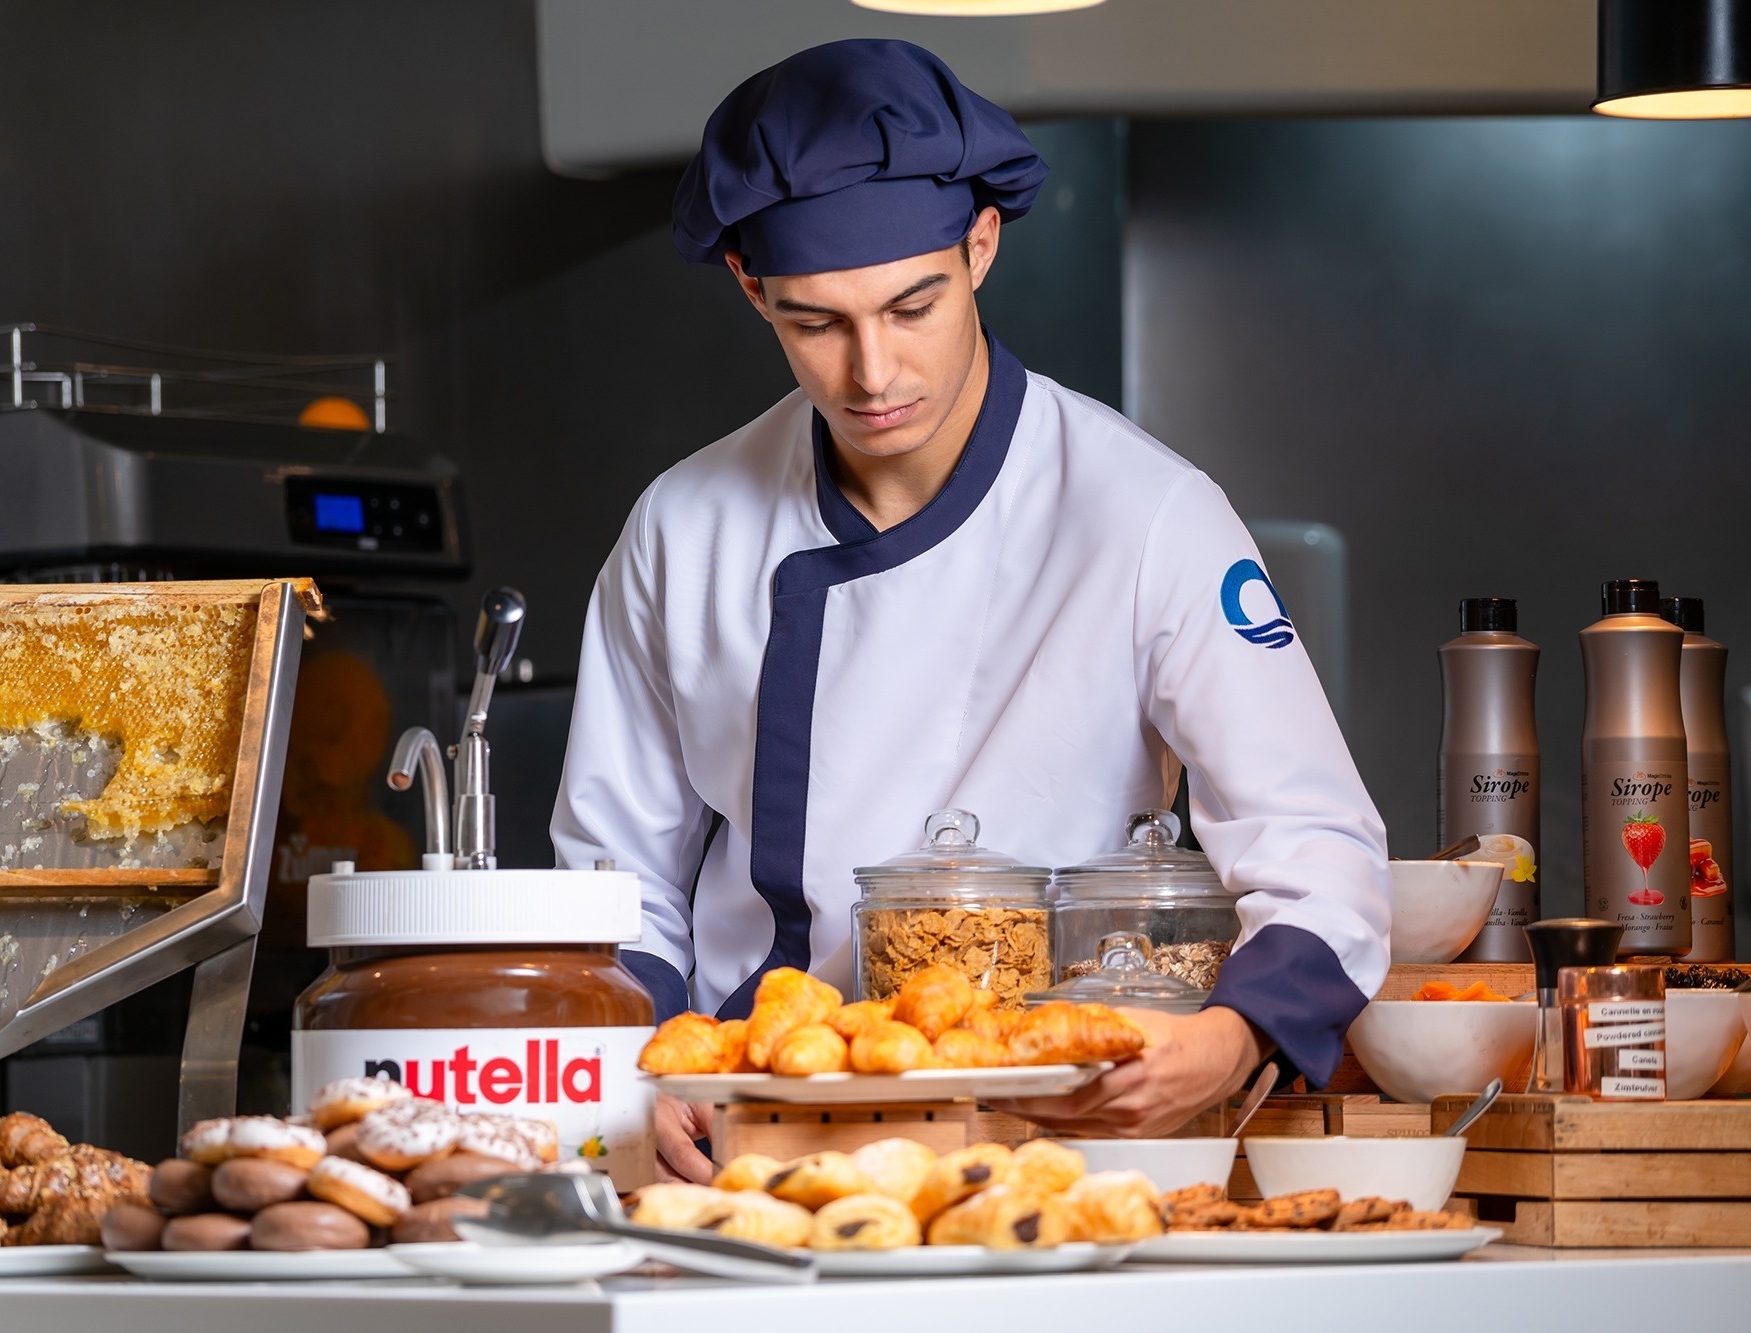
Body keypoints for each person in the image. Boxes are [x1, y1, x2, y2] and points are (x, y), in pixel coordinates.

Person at [552, 39, 1390, 1182]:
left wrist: (1227, 1033)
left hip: (1058, 1132)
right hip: (753, 1132)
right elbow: (617, 879)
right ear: (753, 289)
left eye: (912, 306)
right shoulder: (681, 527)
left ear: (978, 246)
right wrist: (629, 1062)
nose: (871, 372)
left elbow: (1316, 842)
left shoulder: (1144, 512)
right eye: (815, 323)